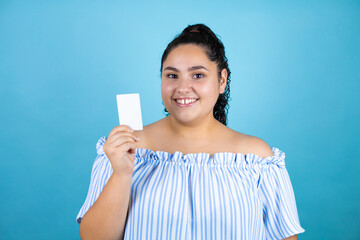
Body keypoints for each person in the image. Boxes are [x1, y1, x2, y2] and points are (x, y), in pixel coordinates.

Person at [76, 23, 305, 240]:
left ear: (221, 80)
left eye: (198, 75)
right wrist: (121, 174)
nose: (183, 88)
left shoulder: (257, 159)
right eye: (172, 75)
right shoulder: (125, 149)